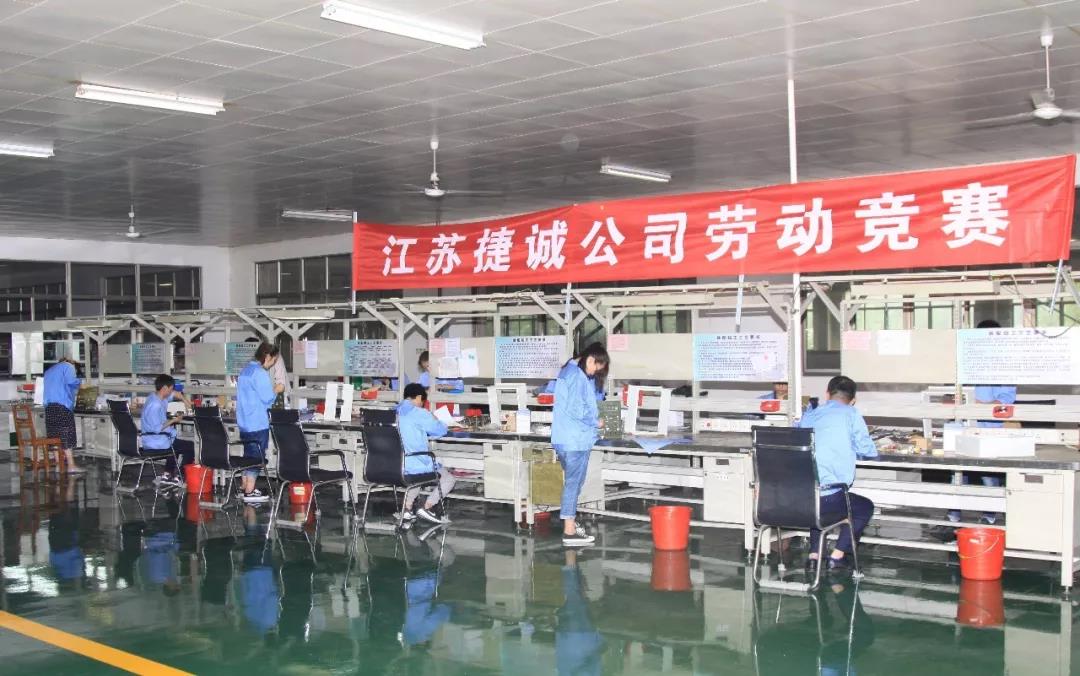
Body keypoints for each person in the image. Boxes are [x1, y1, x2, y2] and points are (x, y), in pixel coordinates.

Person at [796, 375, 878, 572]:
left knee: (817, 498)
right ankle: (837, 556)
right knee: (864, 508)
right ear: (853, 400)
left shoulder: (810, 414)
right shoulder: (852, 414)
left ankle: (814, 557)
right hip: (829, 498)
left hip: (800, 497)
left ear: (827, 394)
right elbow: (867, 450)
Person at [946, 318, 1014, 525]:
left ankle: (989, 516)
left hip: (988, 428)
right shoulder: (967, 362)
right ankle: (953, 517)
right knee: (957, 473)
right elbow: (954, 392)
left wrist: (981, 405)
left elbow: (1006, 402)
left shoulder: (1004, 366)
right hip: (963, 426)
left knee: (987, 475)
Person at [552, 343, 610, 547]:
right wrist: (596, 422)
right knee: (573, 483)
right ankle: (569, 531)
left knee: (573, 482)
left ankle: (570, 523)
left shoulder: (567, 371)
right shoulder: (577, 377)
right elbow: (577, 410)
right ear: (590, 359)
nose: (595, 373)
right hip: (575, 440)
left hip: (564, 438)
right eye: (596, 367)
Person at [397, 383, 456, 526]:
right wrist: (437, 420)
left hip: (396, 464)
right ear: (418, 397)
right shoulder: (419, 413)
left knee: (417, 476)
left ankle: (407, 508)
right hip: (415, 463)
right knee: (449, 479)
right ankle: (427, 507)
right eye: (422, 400)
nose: (422, 404)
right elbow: (439, 430)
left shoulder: (394, 412)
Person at [236, 342, 283, 504]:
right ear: (267, 356)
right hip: (257, 422)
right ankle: (249, 492)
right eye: (273, 360)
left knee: (248, 455)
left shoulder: (246, 370)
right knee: (256, 457)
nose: (272, 364)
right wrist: (277, 389)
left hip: (244, 422)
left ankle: (244, 487)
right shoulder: (259, 373)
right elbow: (267, 398)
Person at [141, 374, 195, 488]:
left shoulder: (155, 397)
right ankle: (180, 477)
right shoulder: (155, 405)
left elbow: (174, 395)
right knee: (191, 447)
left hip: (155, 439)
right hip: (156, 441)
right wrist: (174, 420)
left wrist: (182, 397)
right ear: (165, 388)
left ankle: (167, 474)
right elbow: (157, 428)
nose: (171, 392)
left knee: (174, 440)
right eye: (170, 389)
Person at [42, 355, 84, 473]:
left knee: (55, 437)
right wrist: (80, 383)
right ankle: (71, 466)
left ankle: (58, 466)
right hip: (62, 406)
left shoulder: (50, 370)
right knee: (66, 436)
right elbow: (71, 382)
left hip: (49, 407)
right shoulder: (68, 366)